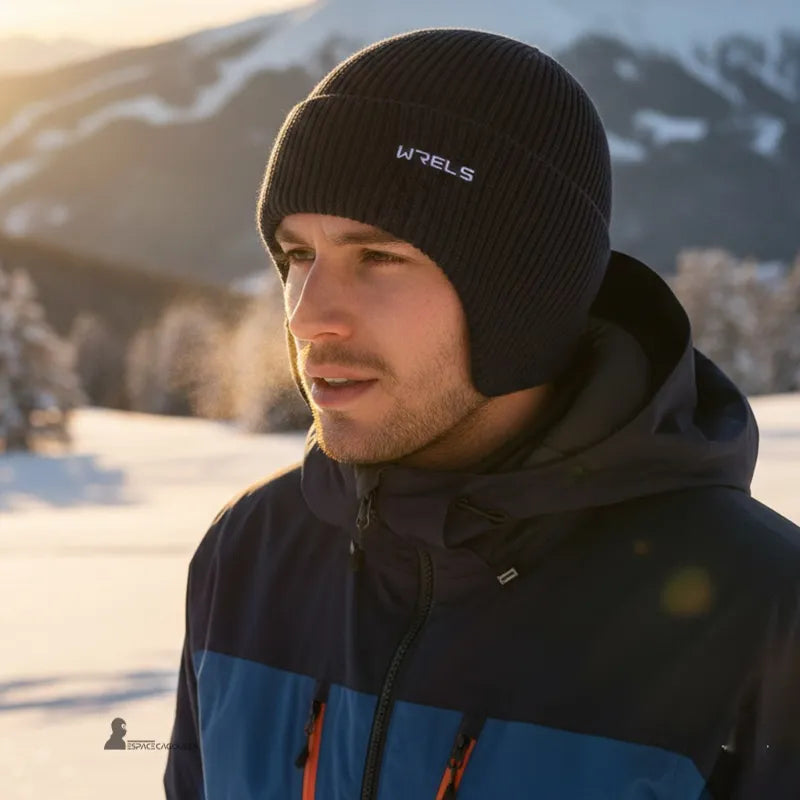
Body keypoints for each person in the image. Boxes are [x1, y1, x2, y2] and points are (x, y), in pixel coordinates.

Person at [164, 28, 800, 799]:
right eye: (298, 255)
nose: (306, 316)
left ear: (523, 300)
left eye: (379, 257)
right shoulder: (253, 554)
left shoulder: (763, 612)